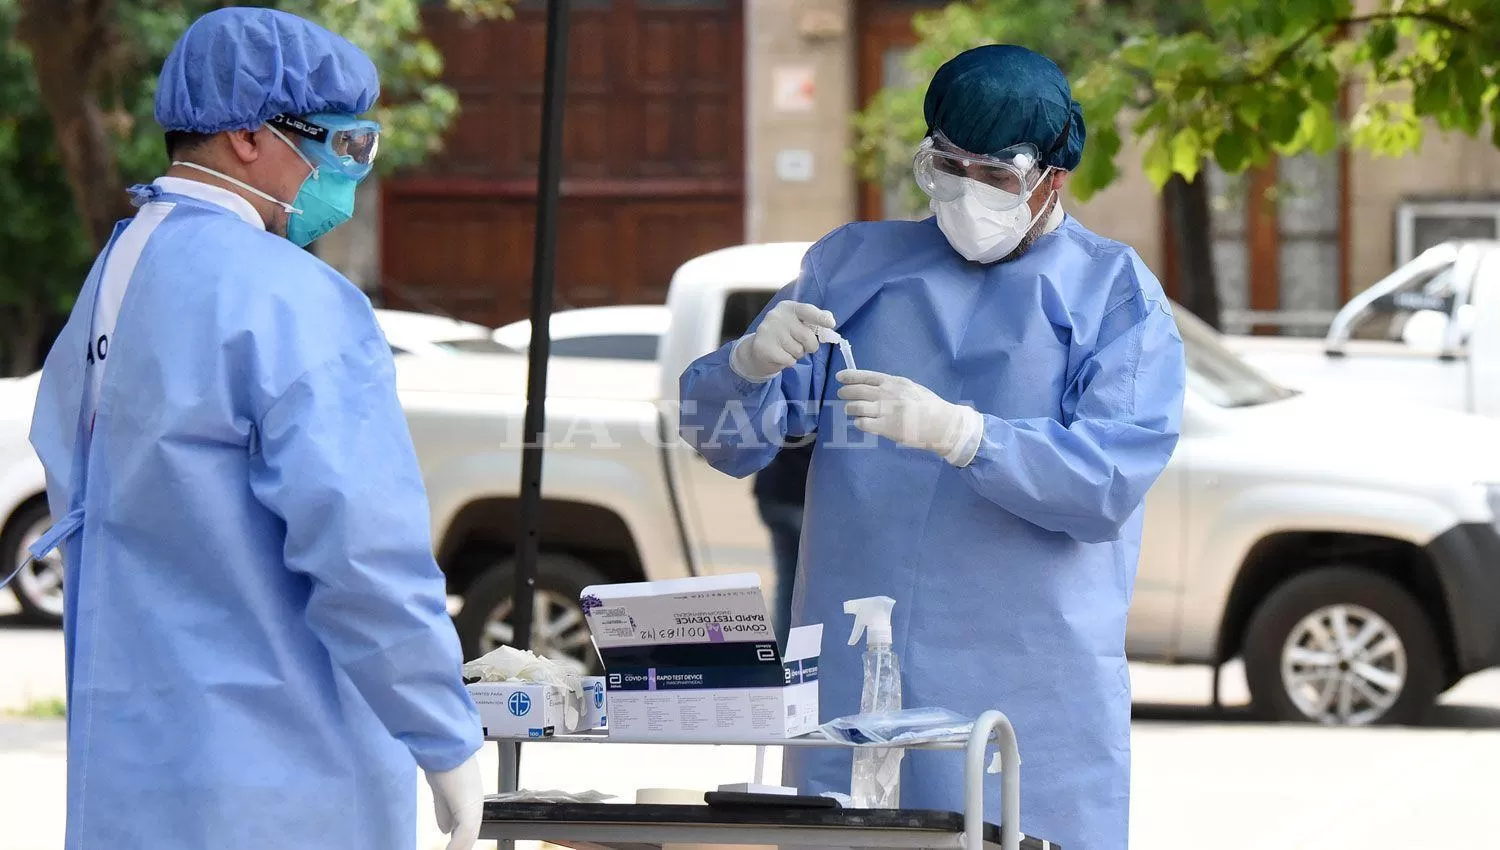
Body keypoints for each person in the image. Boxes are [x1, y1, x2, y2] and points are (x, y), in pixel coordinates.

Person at [679, 45, 1186, 850]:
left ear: (1054, 177)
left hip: (1031, 691)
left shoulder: (1111, 295)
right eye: (948, 165)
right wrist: (743, 367)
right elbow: (728, 442)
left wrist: (965, 434)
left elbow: (1107, 482)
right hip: (856, 675)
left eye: (994, 177)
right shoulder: (854, 268)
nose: (966, 192)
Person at [26, 9, 484, 850]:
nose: (346, 171)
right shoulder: (292, 298)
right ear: (245, 135)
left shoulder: (116, 276)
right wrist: (445, 735)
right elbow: (362, 552)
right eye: (340, 145)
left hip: (131, 769)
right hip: (282, 773)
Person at [753, 439, 813, 644]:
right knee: (807, 587)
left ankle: (786, 658)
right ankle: (797, 659)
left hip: (773, 492)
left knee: (789, 584)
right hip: (802, 496)